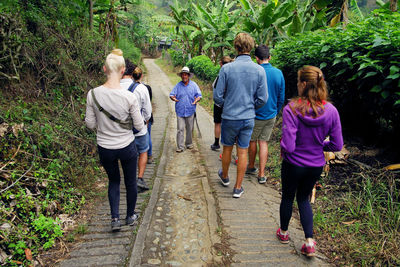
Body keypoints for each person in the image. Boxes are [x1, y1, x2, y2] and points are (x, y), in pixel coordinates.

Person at [276, 66, 343, 257]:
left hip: (293, 164)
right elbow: (337, 144)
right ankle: (309, 242)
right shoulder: (331, 111)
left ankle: (283, 233)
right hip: (314, 165)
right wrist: (319, 145)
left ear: (304, 84)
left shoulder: (292, 109)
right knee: (304, 199)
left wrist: (284, 144)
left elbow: (288, 146)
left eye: (298, 81)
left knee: (288, 197)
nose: (297, 85)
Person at [85, 49, 144, 231]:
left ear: (104, 69)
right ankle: (130, 216)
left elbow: (89, 124)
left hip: (105, 147)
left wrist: (104, 127)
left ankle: (115, 219)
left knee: (114, 181)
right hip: (126, 146)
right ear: (122, 70)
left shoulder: (93, 94)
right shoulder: (129, 96)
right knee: (131, 181)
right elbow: (140, 126)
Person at [213, 33, 268, 198]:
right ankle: (238, 188)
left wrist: (227, 105)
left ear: (236, 47)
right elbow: (263, 98)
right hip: (248, 117)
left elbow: (217, 97)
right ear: (251, 48)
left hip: (230, 116)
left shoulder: (226, 68)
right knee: (242, 151)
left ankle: (224, 177)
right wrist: (251, 107)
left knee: (227, 147)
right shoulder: (259, 70)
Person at [246, 45, 285, 184]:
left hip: (255, 114)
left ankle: (251, 166)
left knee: (252, 141)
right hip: (271, 114)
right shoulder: (278, 73)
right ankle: (262, 174)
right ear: (269, 57)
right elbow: (281, 96)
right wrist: (275, 110)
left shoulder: (255, 72)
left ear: (256, 58)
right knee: (264, 142)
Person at [120, 62, 152, 191]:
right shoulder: (141, 88)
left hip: (121, 131)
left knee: (126, 155)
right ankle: (139, 178)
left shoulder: (114, 87)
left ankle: (129, 178)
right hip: (139, 130)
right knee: (143, 151)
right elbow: (148, 112)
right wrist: (144, 122)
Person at [169, 66, 202, 152]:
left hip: (190, 110)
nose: (184, 77)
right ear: (181, 76)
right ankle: (180, 147)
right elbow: (172, 94)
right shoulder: (178, 85)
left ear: (188, 76)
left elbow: (199, 95)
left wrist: (196, 100)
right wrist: (173, 98)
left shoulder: (194, 85)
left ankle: (189, 143)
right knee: (180, 128)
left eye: (186, 75)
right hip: (180, 110)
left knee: (190, 128)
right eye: (183, 75)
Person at [210, 56, 233, 151]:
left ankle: (216, 143)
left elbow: (215, 89)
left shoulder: (221, 75)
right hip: (230, 103)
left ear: (221, 64)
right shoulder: (233, 75)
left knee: (218, 123)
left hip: (220, 104)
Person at [144, 83, 154, 164]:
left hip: (144, 116)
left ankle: (149, 155)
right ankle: (149, 155)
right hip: (148, 116)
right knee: (148, 135)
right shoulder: (147, 87)